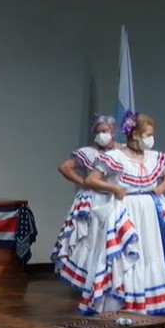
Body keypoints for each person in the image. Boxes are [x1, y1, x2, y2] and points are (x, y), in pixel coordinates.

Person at [83, 112, 165, 316]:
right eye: (147, 134)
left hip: (150, 211)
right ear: (135, 135)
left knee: (150, 253)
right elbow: (91, 180)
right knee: (129, 255)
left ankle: (149, 302)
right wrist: (114, 189)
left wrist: (161, 188)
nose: (151, 138)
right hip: (127, 210)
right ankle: (124, 300)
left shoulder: (152, 158)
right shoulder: (116, 157)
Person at [51, 114, 119, 308]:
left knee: (112, 241)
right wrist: (84, 183)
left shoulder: (122, 151)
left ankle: (111, 282)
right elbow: (64, 167)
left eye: (104, 131)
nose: (101, 135)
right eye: (97, 132)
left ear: (113, 131)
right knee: (91, 241)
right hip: (94, 201)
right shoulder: (89, 152)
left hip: (115, 200)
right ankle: (89, 283)